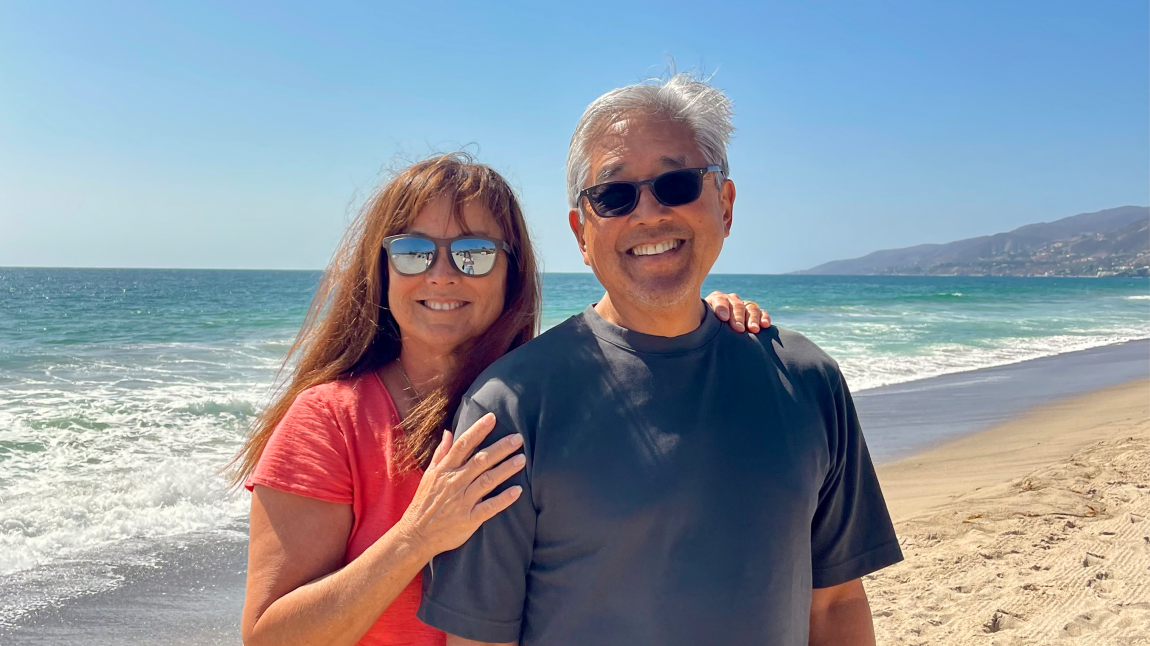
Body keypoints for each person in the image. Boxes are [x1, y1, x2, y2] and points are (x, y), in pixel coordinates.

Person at [417, 75, 903, 646]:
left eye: (676, 184)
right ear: (581, 230)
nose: (648, 213)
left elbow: (838, 603)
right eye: (613, 195)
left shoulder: (807, 379)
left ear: (724, 203)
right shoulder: (512, 406)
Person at [231, 153, 771, 646]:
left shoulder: (555, 396)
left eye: (473, 253)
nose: (441, 274)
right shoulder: (331, 420)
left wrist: (698, 320)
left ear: (512, 271)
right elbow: (267, 638)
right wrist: (416, 537)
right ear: (383, 268)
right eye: (414, 252)